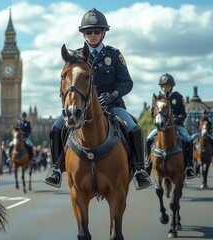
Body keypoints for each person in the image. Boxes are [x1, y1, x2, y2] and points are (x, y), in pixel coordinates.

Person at [44, 8, 152, 190]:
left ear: (103, 33)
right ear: (83, 34)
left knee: (134, 128)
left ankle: (140, 170)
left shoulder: (114, 55)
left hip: (112, 106)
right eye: (88, 32)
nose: (92, 35)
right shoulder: (74, 57)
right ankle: (55, 168)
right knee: (56, 128)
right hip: (81, 108)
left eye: (96, 31)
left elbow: (127, 82)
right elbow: (64, 84)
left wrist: (113, 96)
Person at [145, 73, 195, 179]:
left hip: (176, 126)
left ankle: (189, 166)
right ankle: (148, 164)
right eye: (163, 86)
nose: (165, 88)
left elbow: (183, 113)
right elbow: (152, 114)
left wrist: (176, 119)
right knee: (149, 139)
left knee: (189, 140)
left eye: (167, 86)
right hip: (161, 127)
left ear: (171, 86)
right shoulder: (156, 98)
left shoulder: (178, 97)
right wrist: (156, 121)